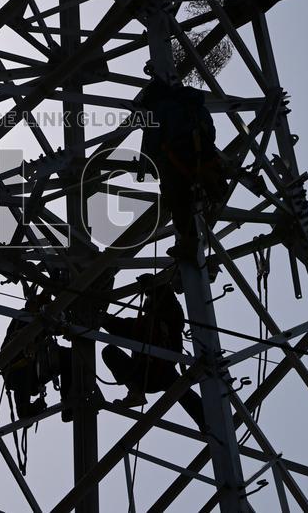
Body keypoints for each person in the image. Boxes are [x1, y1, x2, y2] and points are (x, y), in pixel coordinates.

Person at [136, 76, 226, 261]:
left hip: (178, 161)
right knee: (208, 187)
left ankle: (189, 244)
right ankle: (214, 194)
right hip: (206, 156)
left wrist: (154, 166)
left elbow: (152, 143)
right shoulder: (196, 106)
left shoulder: (159, 108)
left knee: (177, 201)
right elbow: (211, 132)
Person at [100, 274, 205, 428]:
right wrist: (102, 318)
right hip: (145, 376)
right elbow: (117, 326)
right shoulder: (141, 325)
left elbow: (169, 302)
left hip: (160, 372)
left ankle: (207, 421)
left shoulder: (171, 322)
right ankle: (135, 392)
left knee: (183, 392)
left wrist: (154, 285)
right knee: (109, 351)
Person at [1, 294, 73, 422]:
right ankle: (23, 408)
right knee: (23, 365)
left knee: (69, 356)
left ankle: (68, 402)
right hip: (17, 367)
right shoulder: (23, 316)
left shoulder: (43, 318)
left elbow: (56, 328)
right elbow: (18, 338)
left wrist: (64, 321)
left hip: (36, 368)